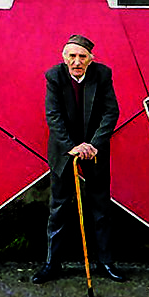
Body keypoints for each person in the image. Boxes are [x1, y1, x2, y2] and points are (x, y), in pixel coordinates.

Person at [32, 34, 125, 284]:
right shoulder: (54, 76)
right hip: (65, 150)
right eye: (72, 56)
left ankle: (105, 262)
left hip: (95, 150)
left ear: (90, 59)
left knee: (101, 207)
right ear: (64, 58)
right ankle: (52, 264)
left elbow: (111, 112)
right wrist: (73, 147)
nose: (77, 61)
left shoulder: (102, 75)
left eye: (82, 56)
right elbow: (53, 116)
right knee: (59, 208)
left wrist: (93, 145)